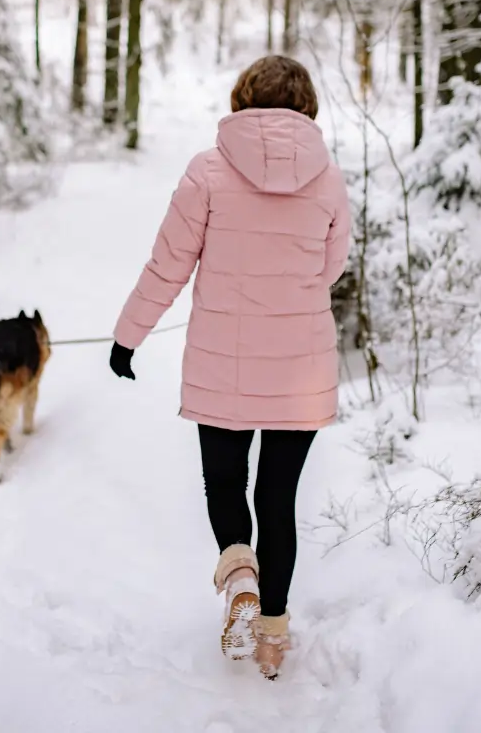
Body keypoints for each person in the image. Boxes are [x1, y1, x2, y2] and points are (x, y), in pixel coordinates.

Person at [109, 55, 351, 680]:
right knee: (278, 498)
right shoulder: (328, 178)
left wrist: (127, 338)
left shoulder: (208, 171)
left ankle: (239, 575)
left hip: (224, 363)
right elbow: (331, 267)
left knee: (225, 483)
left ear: (242, 98)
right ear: (307, 108)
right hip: (301, 367)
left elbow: (169, 265)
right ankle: (272, 639)